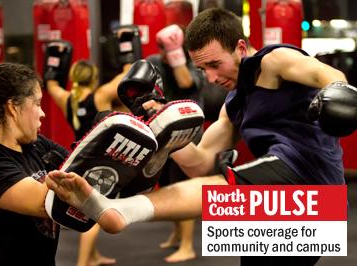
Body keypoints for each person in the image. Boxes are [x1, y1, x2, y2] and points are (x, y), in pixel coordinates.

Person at [45, 7, 355, 266]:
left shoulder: (273, 61)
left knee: (230, 186)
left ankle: (123, 210)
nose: (210, 77)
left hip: (315, 190)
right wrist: (156, 119)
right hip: (293, 214)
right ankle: (120, 209)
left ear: (241, 48)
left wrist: (338, 91)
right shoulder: (234, 105)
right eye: (202, 69)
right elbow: (199, 163)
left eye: (214, 64)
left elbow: (322, 74)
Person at [0, 63, 69, 266]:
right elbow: (48, 203)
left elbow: (81, 166)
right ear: (13, 107)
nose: (42, 113)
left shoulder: (39, 145)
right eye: (37, 104)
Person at [46, 59, 131, 266]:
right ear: (93, 79)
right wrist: (127, 48)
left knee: (89, 209)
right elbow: (128, 73)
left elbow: (51, 85)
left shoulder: (66, 98)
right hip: (99, 162)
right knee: (93, 213)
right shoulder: (100, 96)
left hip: (79, 157)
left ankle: (93, 257)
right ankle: (83, 263)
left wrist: (54, 61)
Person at [146, 23, 207, 263]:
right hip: (164, 134)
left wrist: (176, 55)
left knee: (182, 187)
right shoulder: (155, 61)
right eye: (162, 47)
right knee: (169, 184)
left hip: (187, 135)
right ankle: (177, 234)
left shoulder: (194, 64)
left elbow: (184, 82)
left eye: (168, 47)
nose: (163, 52)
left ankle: (188, 246)